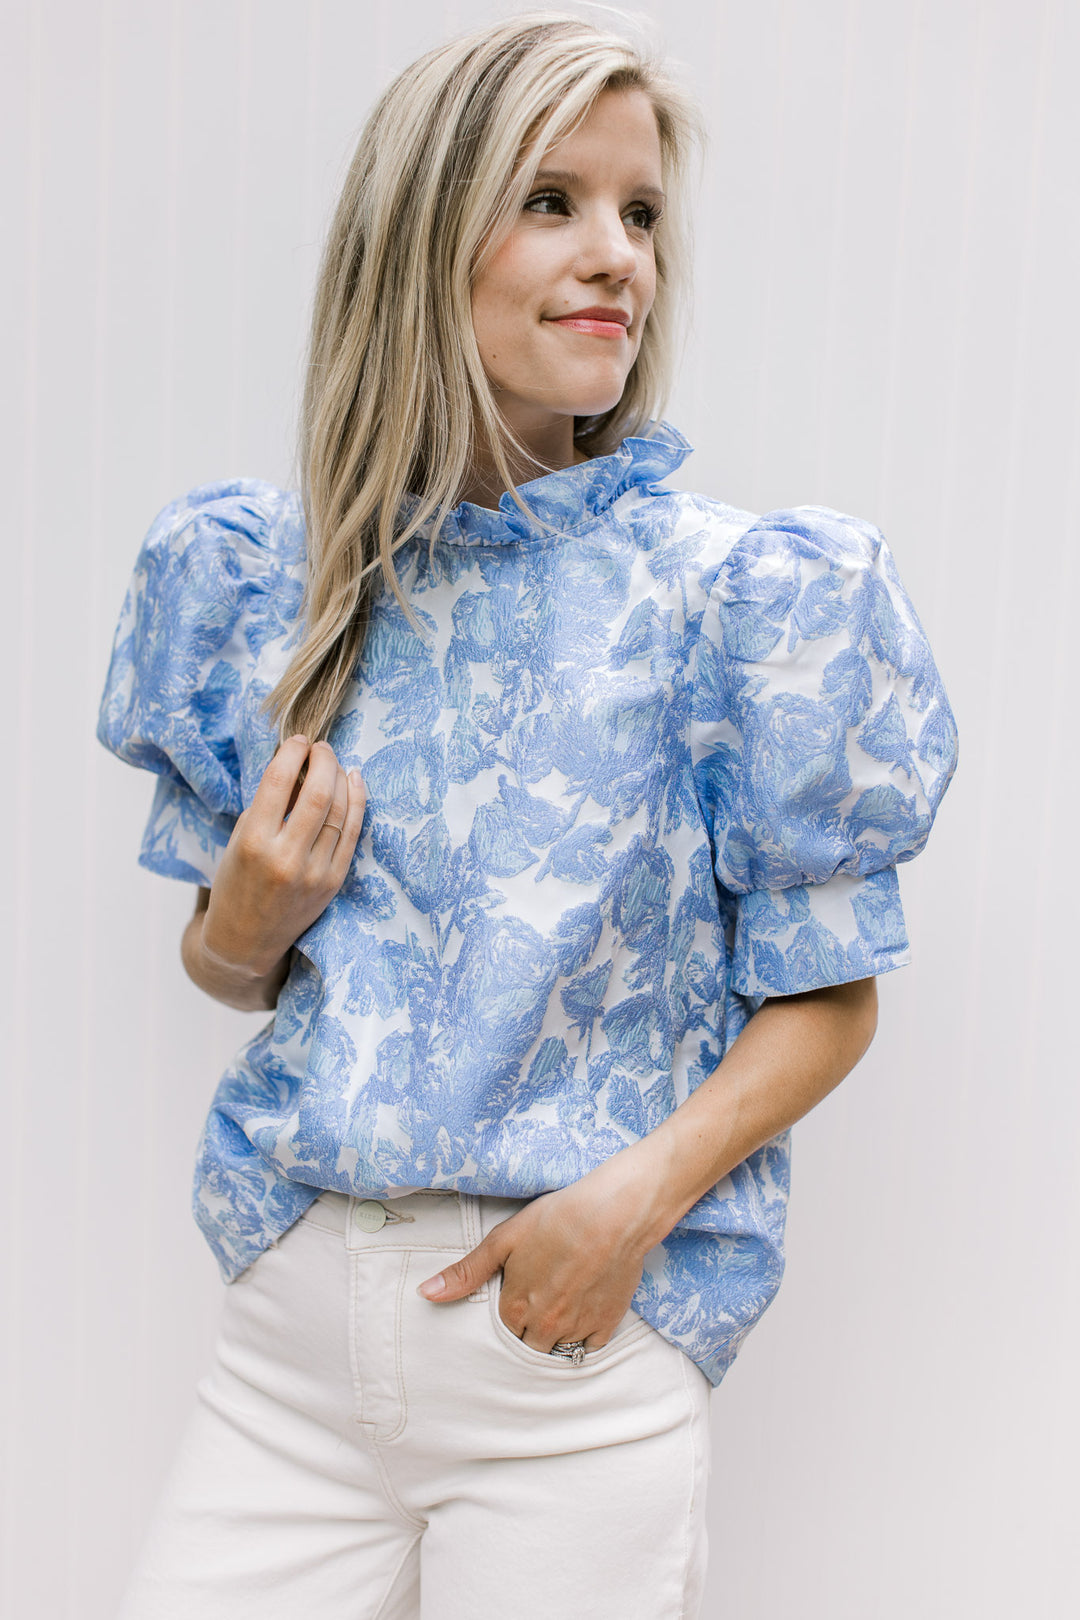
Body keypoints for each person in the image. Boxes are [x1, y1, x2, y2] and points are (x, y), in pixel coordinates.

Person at [96, 10, 958, 1618]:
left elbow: (833, 1000)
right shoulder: (266, 584)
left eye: (641, 214)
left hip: (562, 1367)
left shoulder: (737, 598)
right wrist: (245, 921)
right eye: (553, 200)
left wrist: (625, 1210)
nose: (618, 255)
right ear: (421, 236)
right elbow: (229, 977)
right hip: (286, 1355)